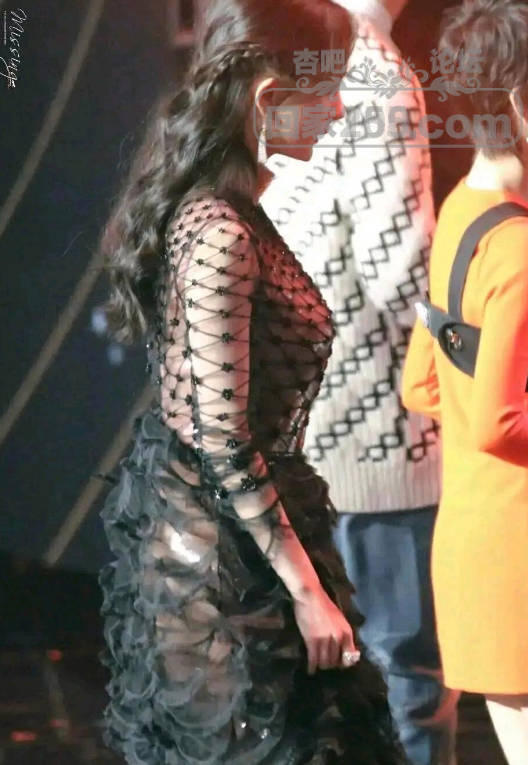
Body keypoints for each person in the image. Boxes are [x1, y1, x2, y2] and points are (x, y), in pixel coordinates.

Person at [97, 1, 407, 763]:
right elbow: (223, 439)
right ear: (268, 97)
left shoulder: (231, 213)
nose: (338, 112)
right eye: (327, 91)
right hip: (218, 568)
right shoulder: (221, 231)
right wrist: (306, 591)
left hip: (240, 540)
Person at [261, 1, 458, 764]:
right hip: (381, 441)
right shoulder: (376, 72)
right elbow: (402, 273)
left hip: (300, 424)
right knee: (409, 682)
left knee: (331, 694)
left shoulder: (298, 48)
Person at [402, 1, 528, 763]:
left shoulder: (462, 211)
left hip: (475, 543)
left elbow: (422, 383)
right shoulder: (517, 246)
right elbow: (498, 421)